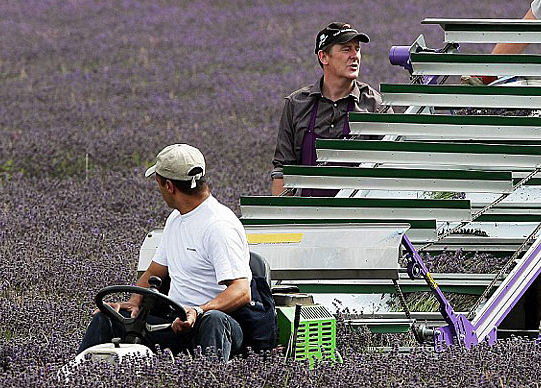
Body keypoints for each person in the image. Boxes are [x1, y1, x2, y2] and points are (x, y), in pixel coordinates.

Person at [78, 143, 276, 359]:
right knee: (106, 319)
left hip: (216, 325)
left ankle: (209, 378)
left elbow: (241, 291)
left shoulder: (218, 226)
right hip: (174, 322)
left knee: (214, 321)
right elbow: (154, 272)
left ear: (169, 186)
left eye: (159, 183)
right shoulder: (175, 219)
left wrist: (199, 311)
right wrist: (134, 301)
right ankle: (78, 377)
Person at [271, 22, 383, 196]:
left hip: (358, 218)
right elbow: (283, 170)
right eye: (346, 49)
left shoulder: (374, 105)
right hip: (309, 217)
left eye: (357, 49)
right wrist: (279, 219)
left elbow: (390, 168)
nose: (355, 56)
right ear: (324, 57)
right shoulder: (297, 104)